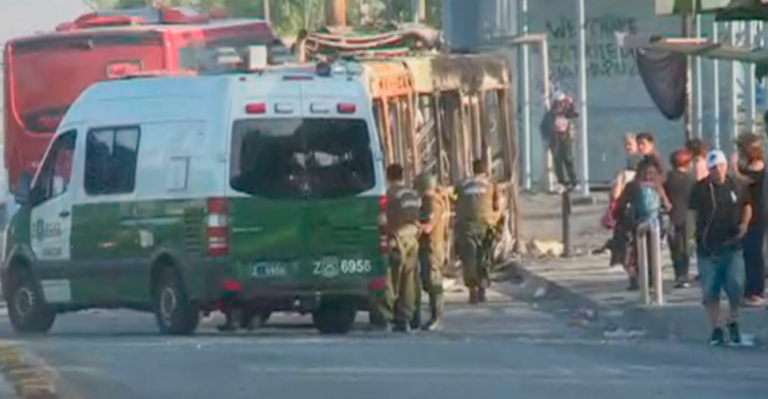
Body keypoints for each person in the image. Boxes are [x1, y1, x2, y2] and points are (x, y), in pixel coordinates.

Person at [689, 150, 751, 345]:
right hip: (707, 247)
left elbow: (747, 205)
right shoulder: (700, 188)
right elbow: (692, 213)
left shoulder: (736, 185)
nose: (718, 171)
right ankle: (716, 326)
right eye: (714, 168)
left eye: (721, 166)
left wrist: (744, 224)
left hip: (732, 245)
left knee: (736, 284)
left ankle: (733, 320)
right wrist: (691, 236)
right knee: (710, 289)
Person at [615, 156, 671, 290]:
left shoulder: (633, 186)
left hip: (638, 223)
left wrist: (621, 217)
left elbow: (621, 205)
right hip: (656, 223)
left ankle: (638, 278)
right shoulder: (658, 186)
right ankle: (653, 279)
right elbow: (668, 205)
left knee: (636, 253)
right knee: (654, 253)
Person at [381, 164, 422, 332]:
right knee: (409, 280)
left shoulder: (389, 195)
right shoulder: (412, 194)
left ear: (388, 177)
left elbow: (384, 219)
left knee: (390, 279)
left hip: (396, 239)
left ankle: (386, 318)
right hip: (413, 238)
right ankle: (405, 318)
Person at [456, 160, 502, 304]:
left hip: (466, 226)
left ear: (473, 170)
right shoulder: (492, 184)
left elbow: (455, 201)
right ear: (485, 171)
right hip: (485, 225)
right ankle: (482, 290)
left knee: (469, 258)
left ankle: (472, 291)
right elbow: (497, 205)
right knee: (484, 257)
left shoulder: (462, 184)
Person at [731, 133, 766, 307]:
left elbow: (744, 180)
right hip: (747, 209)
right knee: (747, 252)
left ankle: (756, 290)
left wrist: (734, 167)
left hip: (758, 212)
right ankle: (749, 288)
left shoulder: (759, 166)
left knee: (754, 251)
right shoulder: (749, 166)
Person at [415, 173, 450, 330]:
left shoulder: (432, 203)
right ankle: (434, 312)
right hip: (429, 247)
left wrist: (413, 224)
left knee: (433, 281)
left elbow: (428, 227)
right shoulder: (429, 202)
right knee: (427, 280)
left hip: (432, 248)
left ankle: (437, 314)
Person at [664, 149, 696, 288]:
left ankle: (678, 274)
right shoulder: (691, 179)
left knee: (675, 246)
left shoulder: (668, 178)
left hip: (672, 214)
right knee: (687, 247)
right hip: (689, 215)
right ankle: (684, 274)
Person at [540, 92, 579, 190]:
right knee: (558, 160)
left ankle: (574, 182)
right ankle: (562, 182)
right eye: (559, 103)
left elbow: (574, 114)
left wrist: (570, 104)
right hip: (555, 138)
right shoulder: (550, 114)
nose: (561, 105)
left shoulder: (567, 112)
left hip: (566, 137)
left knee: (568, 159)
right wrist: (547, 137)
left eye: (562, 103)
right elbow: (543, 127)